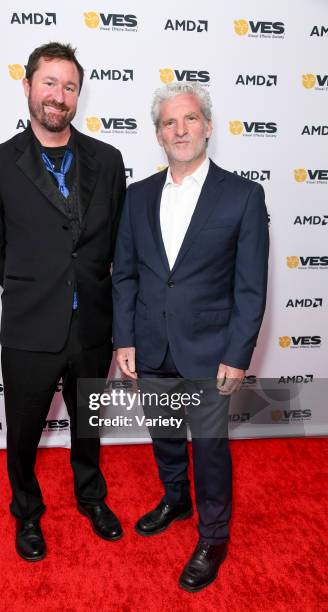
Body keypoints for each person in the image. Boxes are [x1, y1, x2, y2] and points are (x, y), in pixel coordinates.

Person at [0, 42, 126, 561]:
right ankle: (27, 513)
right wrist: (35, 284)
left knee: (89, 425)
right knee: (23, 433)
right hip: (30, 327)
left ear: (78, 94)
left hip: (92, 328)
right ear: (28, 87)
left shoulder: (107, 161)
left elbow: (116, 242)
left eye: (69, 86)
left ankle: (91, 498)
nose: (58, 96)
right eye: (49, 83)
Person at [112, 82, 269, 592]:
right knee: (164, 436)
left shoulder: (243, 195)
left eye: (190, 119)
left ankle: (214, 535)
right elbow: (126, 275)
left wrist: (238, 353)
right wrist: (125, 339)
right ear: (158, 134)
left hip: (210, 351)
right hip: (151, 345)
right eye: (169, 123)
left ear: (207, 125)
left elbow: (250, 285)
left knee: (210, 448)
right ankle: (176, 498)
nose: (180, 130)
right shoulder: (136, 197)